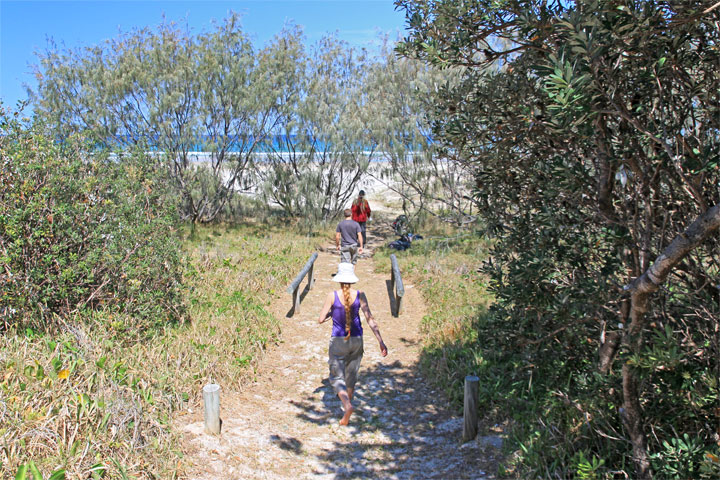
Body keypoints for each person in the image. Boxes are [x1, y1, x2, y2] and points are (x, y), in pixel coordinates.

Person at [317, 262, 387, 426]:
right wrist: (381, 341)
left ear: (339, 279)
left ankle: (347, 405)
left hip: (339, 340)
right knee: (351, 375)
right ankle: (347, 411)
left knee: (337, 377)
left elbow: (320, 319)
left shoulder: (332, 296)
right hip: (357, 339)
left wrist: (331, 313)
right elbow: (370, 319)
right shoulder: (360, 294)